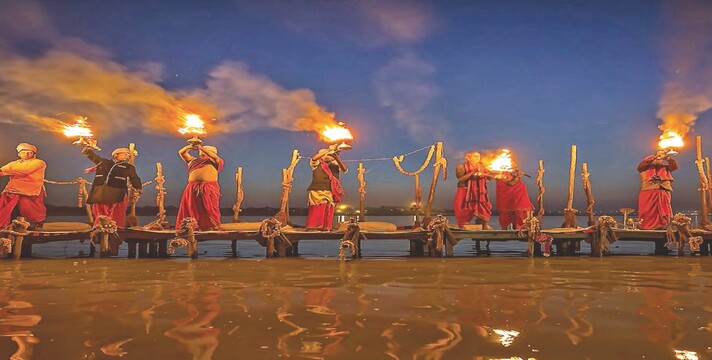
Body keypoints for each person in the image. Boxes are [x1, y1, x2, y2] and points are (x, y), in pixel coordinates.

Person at [83, 146, 142, 228]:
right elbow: (90, 155)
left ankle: (116, 229)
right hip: (101, 192)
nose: (127, 156)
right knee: (100, 212)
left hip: (118, 192)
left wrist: (138, 188)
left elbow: (134, 178)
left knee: (117, 213)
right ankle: (100, 228)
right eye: (125, 154)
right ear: (116, 155)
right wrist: (88, 148)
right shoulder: (103, 162)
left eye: (128, 154)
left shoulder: (129, 167)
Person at [176, 144, 224, 231]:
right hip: (191, 187)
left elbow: (214, 156)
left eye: (204, 150)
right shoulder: (193, 161)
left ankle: (213, 226)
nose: (201, 151)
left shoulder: (215, 161)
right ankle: (193, 226)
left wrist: (201, 147)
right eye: (200, 150)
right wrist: (189, 146)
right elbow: (182, 153)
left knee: (210, 208)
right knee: (192, 207)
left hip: (209, 187)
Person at [0, 143, 47, 229]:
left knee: (30, 209)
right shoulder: (13, 163)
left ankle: (35, 225)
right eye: (23, 152)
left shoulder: (39, 162)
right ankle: (5, 226)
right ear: (19, 154)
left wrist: (7, 170)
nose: (26, 154)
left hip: (30, 190)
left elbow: (24, 170)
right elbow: (2, 171)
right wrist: (4, 170)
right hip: (12, 189)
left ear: (34, 154)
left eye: (29, 152)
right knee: (5, 207)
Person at [305, 144, 347, 231]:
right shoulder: (316, 164)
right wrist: (329, 150)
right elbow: (315, 158)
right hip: (317, 189)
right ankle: (314, 226)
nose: (327, 157)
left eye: (329, 156)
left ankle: (326, 227)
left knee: (329, 208)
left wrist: (335, 156)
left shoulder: (335, 165)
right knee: (318, 207)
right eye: (325, 156)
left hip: (331, 191)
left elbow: (344, 169)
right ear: (322, 157)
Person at [637, 150, 678, 230]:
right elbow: (642, 165)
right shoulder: (643, 168)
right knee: (647, 210)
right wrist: (657, 156)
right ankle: (645, 226)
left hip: (663, 190)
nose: (659, 161)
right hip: (648, 191)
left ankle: (662, 225)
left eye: (660, 160)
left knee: (663, 210)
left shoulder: (665, 168)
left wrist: (668, 158)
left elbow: (675, 166)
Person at [454, 151, 493, 229]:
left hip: (480, 192)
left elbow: (490, 176)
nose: (477, 158)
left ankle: (484, 225)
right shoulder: (462, 167)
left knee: (484, 207)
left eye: (478, 156)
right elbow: (461, 179)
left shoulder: (483, 167)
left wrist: (483, 175)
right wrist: (472, 173)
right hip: (465, 190)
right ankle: (463, 225)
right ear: (469, 158)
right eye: (475, 156)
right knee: (463, 207)